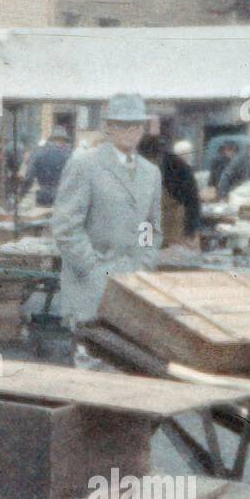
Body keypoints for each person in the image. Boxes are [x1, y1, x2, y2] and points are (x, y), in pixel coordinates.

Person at [51, 93, 162, 329]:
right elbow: (66, 227)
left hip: (134, 289)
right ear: (108, 127)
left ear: (144, 128)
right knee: (92, 360)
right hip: (91, 291)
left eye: (136, 125)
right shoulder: (85, 164)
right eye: (122, 124)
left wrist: (144, 264)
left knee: (126, 361)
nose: (130, 131)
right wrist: (94, 268)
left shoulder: (151, 173)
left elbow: (149, 226)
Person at [139, 133, 201, 245]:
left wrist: (190, 231)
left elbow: (192, 200)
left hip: (173, 221)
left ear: (158, 155)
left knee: (170, 256)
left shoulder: (178, 168)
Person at [21, 127, 72, 207]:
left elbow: (28, 177)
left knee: (41, 217)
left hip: (42, 196)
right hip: (61, 197)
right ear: (63, 141)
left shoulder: (38, 153)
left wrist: (22, 193)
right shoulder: (69, 156)